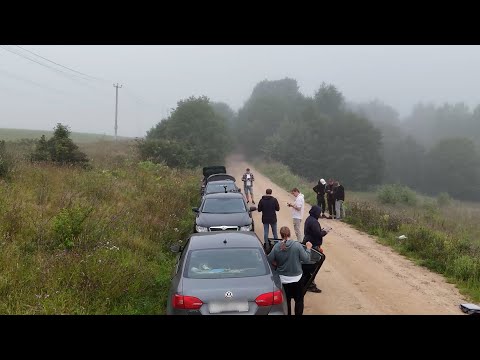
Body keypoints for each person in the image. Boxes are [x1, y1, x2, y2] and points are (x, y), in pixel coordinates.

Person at [267, 226, 312, 316]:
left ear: (281, 234)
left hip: (282, 280)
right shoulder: (297, 245)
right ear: (290, 234)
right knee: (299, 300)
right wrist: (308, 248)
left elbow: (269, 259)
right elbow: (306, 259)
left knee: (286, 302)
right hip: (297, 279)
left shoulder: (276, 247)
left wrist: (276, 263)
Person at [303, 205, 328, 293]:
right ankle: (310, 285)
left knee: (308, 264)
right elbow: (318, 234)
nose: (320, 214)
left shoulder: (309, 219)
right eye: (319, 212)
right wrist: (325, 232)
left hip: (308, 242)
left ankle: (306, 282)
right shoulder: (314, 222)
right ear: (316, 212)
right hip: (313, 245)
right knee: (313, 266)